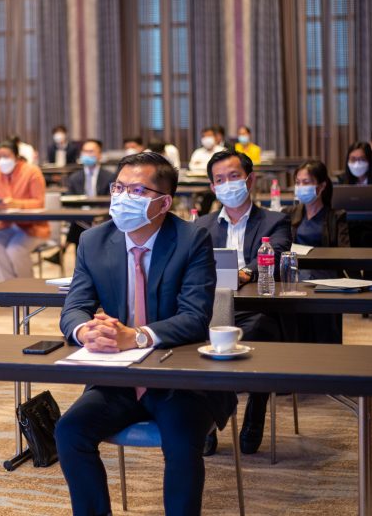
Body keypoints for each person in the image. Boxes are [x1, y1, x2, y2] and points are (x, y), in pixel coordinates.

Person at [56, 151, 237, 516]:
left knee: (181, 439)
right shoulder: (93, 241)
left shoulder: (192, 239)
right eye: (119, 188)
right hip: (119, 379)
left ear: (164, 202)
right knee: (68, 431)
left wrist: (137, 336)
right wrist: (85, 330)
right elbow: (74, 307)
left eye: (137, 190)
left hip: (179, 379)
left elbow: (194, 318)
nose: (123, 197)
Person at [196, 149, 291, 456]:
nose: (227, 184)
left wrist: (246, 273)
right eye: (220, 179)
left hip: (254, 307)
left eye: (234, 176)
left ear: (249, 180)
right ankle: (208, 419)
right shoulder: (201, 226)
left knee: (261, 330)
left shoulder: (275, 220)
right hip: (211, 309)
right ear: (212, 187)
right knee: (191, 336)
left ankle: (256, 409)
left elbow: (277, 252)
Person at [283, 160, 349, 344]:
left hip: (325, 277)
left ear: (321, 186)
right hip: (296, 276)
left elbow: (344, 252)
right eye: (298, 182)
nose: (300, 187)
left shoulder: (336, 216)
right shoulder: (289, 213)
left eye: (306, 182)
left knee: (323, 332)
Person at [0, 140, 49, 281]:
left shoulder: (32, 171)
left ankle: (27, 289)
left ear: (16, 157)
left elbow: (39, 203)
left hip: (33, 226)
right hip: (6, 225)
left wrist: (16, 204)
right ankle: (8, 288)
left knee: (15, 249)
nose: (2, 160)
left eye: (6, 156)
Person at [64, 139, 115, 249]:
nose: (87, 154)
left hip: (102, 218)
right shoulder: (74, 178)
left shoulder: (110, 176)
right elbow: (68, 202)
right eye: (85, 151)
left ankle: (64, 248)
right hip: (80, 220)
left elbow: (111, 201)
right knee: (78, 226)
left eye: (91, 151)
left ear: (99, 155)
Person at [338, 142, 372, 250]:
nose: (357, 164)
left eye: (362, 159)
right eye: (353, 159)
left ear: (369, 160)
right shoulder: (342, 180)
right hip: (348, 228)